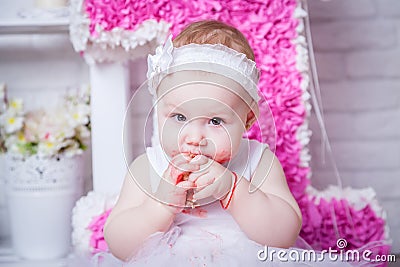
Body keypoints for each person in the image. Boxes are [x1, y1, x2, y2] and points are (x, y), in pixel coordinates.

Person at [102, 20, 349, 266]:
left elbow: (284, 235)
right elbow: (120, 244)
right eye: (179, 117)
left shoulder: (258, 161)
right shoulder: (148, 167)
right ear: (157, 111)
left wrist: (234, 190)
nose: (194, 138)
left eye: (216, 121)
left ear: (248, 119)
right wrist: (160, 205)